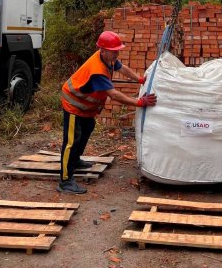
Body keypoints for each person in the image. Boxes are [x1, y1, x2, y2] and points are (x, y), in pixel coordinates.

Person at [58, 30, 157, 194]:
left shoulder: (108, 58)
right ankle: (65, 181)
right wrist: (139, 102)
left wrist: (139, 79)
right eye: (114, 51)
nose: (117, 53)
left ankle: (75, 161)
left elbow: (122, 68)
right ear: (102, 50)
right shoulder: (98, 70)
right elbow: (114, 94)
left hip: (85, 107)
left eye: (118, 50)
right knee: (71, 141)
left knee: (87, 128)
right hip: (73, 104)